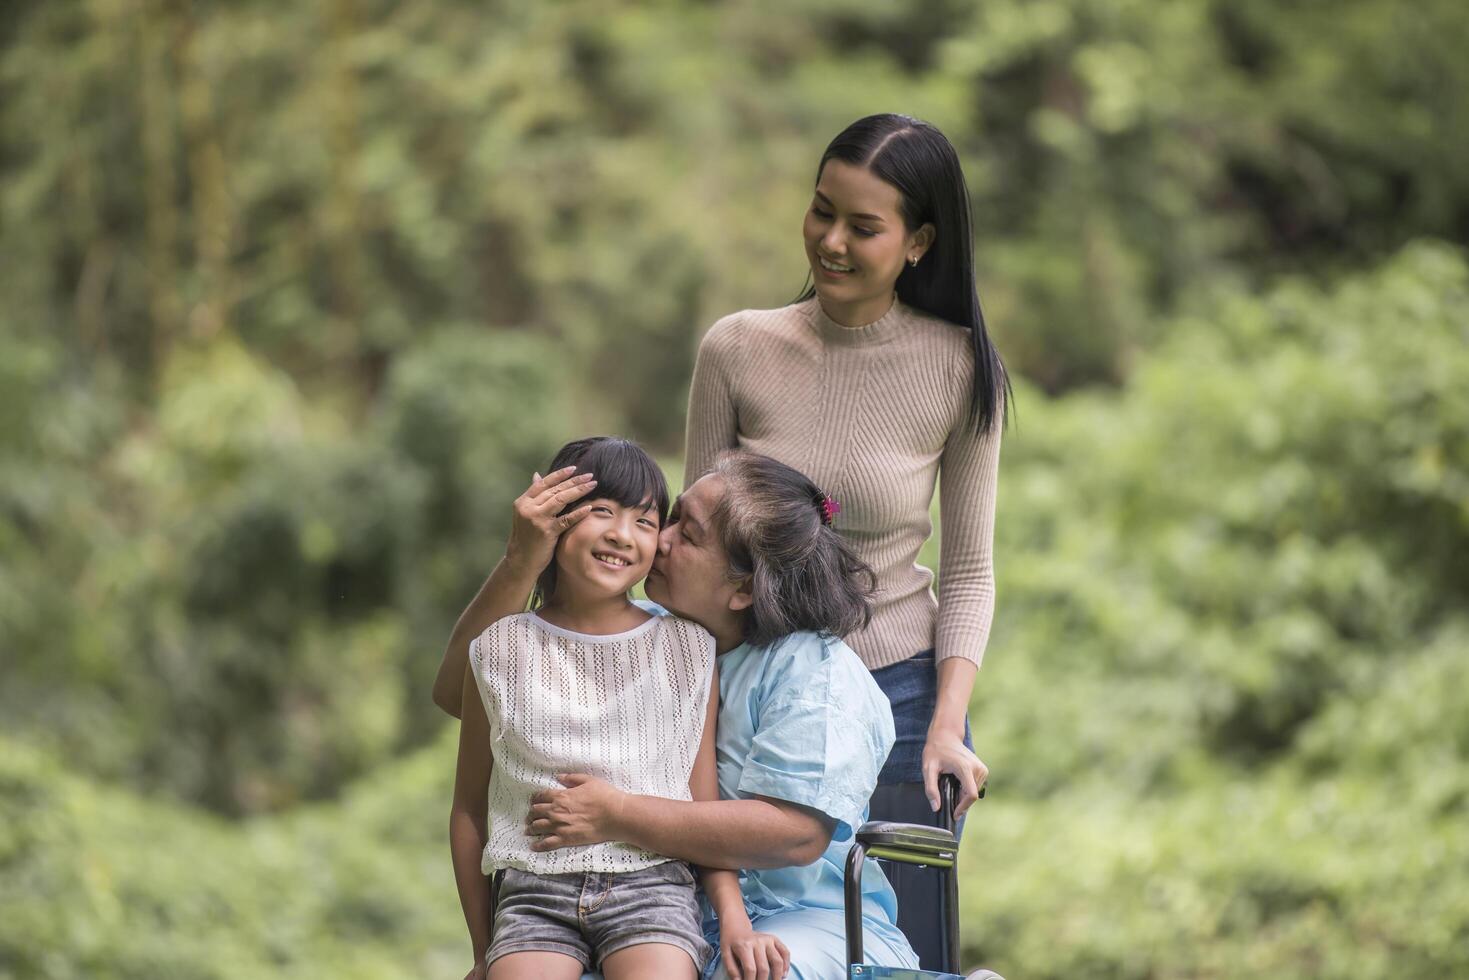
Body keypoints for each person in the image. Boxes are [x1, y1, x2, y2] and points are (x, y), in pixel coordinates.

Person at [681, 114, 1005, 935]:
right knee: (751, 940)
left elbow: (968, 571)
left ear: (919, 241)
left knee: (901, 948)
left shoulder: (959, 368)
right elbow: (692, 549)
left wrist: (942, 727)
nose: (829, 241)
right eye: (821, 211)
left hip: (899, 700)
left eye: (862, 227)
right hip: (754, 700)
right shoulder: (735, 349)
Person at [435, 450, 919, 980]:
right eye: (670, 519)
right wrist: (520, 562)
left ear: (744, 588)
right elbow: (461, 689)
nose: (657, 540)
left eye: (686, 535)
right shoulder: (657, 634)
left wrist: (617, 813)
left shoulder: (816, 675)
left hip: (799, 918)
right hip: (654, 909)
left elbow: (795, 833)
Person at [448, 436, 783, 980]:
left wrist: (734, 917)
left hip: (652, 889)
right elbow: (467, 811)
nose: (621, 535)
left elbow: (702, 804)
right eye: (601, 511)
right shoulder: (498, 647)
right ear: (553, 519)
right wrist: (483, 951)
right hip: (534, 896)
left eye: (645, 521)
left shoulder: (687, 648)